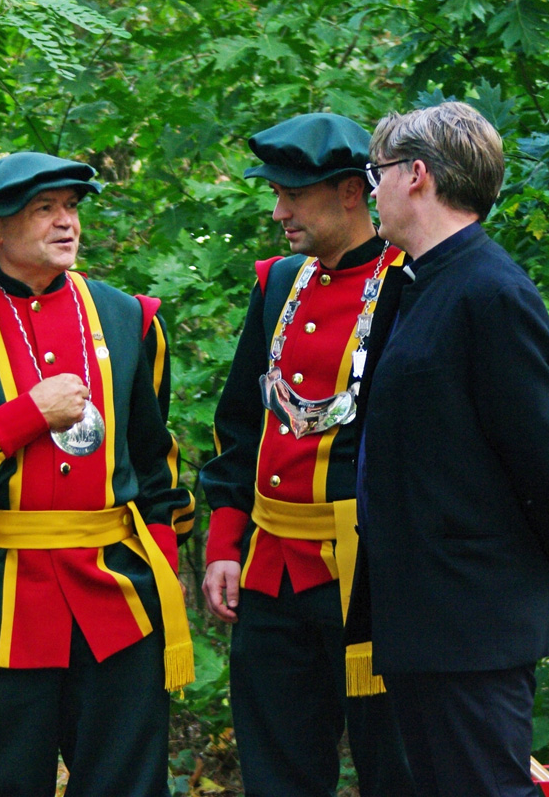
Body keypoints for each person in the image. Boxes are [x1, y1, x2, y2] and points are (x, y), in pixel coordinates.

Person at [0, 152, 196, 797]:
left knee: (128, 787)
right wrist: (27, 416)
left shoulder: (130, 319)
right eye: (43, 210)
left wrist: (162, 565)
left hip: (119, 597)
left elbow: (153, 459)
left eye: (71, 208)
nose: (66, 223)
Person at [345, 101, 549, 796]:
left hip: (472, 615)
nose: (371, 190)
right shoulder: (414, 285)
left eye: (377, 173)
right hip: (421, 610)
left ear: (416, 176)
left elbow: (537, 451)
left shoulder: (492, 290)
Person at [200, 113, 416, 797]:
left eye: (292, 195)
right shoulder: (277, 285)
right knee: (278, 776)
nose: (279, 212)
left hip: (374, 579)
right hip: (270, 577)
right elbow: (240, 424)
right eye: (276, 194)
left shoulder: (414, 285)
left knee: (399, 774)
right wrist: (225, 542)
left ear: (352, 191)